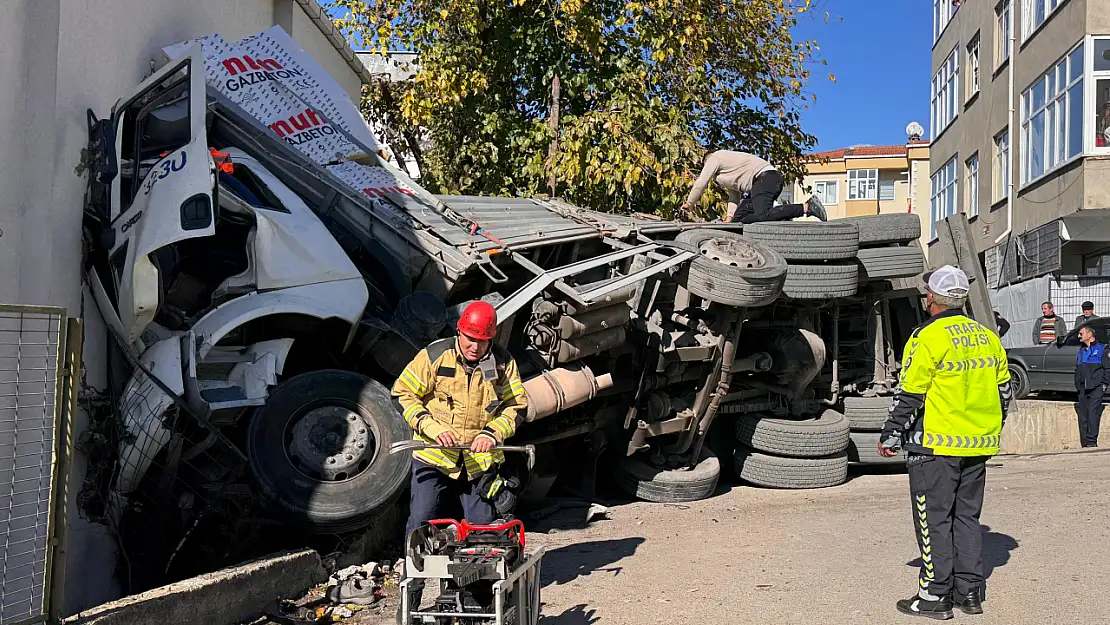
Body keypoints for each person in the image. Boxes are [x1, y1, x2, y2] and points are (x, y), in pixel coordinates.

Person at [879, 265, 1011, 620]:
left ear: (932, 299)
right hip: (978, 445)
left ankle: (933, 597)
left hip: (934, 446)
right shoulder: (987, 337)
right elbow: (1004, 392)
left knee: (933, 520)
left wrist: (891, 432)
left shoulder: (927, 337)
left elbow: (911, 392)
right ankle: (969, 594)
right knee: (967, 517)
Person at [392, 301, 528, 613]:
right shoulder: (434, 355)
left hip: (478, 464)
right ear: (459, 332)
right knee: (419, 529)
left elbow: (517, 406)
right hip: (433, 458)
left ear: (490, 340)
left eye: (480, 341)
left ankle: (473, 601)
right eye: (468, 338)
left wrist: (492, 434)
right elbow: (403, 394)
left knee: (482, 534)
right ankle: (409, 598)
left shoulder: (503, 364)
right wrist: (431, 426)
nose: (473, 346)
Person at [681, 150, 828, 223]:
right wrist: (729, 217)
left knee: (762, 215)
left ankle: (807, 207)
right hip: (762, 184)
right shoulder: (727, 170)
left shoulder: (715, 157)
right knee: (737, 223)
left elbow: (701, 183)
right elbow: (734, 193)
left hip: (766, 178)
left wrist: (689, 203)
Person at [1074, 325, 1107, 448]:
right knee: (1083, 415)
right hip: (1082, 386)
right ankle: (1085, 442)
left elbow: (1107, 369)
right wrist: (1077, 382)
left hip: (1096, 386)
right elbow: (1077, 368)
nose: (1079, 336)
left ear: (1089, 335)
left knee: (1093, 413)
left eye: (1081, 333)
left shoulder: (1102, 349)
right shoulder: (1081, 351)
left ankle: (1092, 441)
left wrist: (1104, 384)